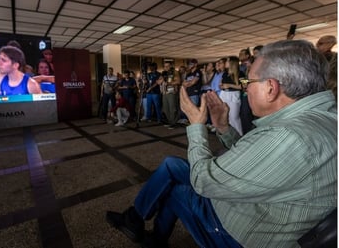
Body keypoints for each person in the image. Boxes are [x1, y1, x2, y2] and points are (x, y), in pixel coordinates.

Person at [106, 39, 337, 248]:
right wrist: (224, 128)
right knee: (171, 165)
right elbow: (255, 157)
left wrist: (196, 126)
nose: (245, 86)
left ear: (271, 88)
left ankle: (150, 234)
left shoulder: (288, 135)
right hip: (261, 201)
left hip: (239, 230)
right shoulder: (323, 116)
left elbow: (202, 182)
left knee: (175, 189)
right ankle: (135, 220)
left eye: (248, 81)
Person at [160, 62, 180, 129]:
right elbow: (158, 82)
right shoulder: (163, 73)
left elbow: (178, 81)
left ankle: (173, 123)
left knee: (172, 109)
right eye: (165, 66)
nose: (166, 67)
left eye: (168, 66)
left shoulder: (174, 72)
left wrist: (169, 83)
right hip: (164, 93)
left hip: (171, 92)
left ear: (171, 66)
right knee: (165, 108)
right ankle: (170, 121)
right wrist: (161, 79)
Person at [316, 35, 337, 101]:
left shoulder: (318, 58)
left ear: (329, 45)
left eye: (320, 43)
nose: (317, 45)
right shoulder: (315, 57)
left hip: (330, 88)